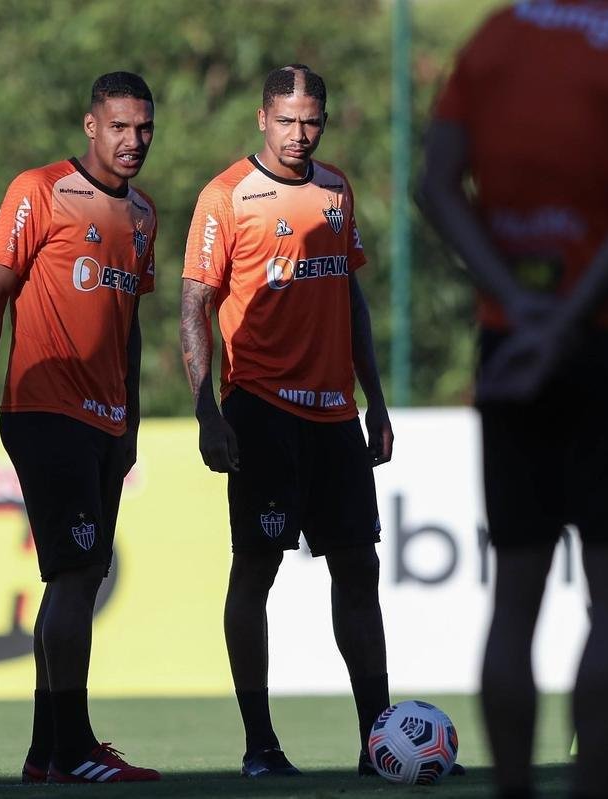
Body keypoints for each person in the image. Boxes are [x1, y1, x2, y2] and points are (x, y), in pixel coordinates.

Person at [418, 2, 608, 796]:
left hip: (511, 339)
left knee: (515, 598)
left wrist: (520, 303)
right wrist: (571, 319)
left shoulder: (497, 37)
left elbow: (436, 187)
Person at [180, 64, 400, 779]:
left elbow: (351, 297)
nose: (300, 134)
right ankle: (259, 744)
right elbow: (194, 308)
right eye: (287, 120)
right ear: (261, 118)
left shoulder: (336, 188)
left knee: (358, 568)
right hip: (262, 410)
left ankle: (379, 741)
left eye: (312, 121)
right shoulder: (226, 196)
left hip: (335, 413)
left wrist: (376, 401)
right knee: (256, 571)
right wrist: (207, 411)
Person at [0, 72, 160, 783]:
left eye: (144, 128)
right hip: (44, 409)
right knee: (75, 576)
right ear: (91, 126)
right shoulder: (38, 189)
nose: (134, 141)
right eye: (120, 126)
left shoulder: (144, 215)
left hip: (105, 420)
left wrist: (129, 416)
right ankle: (75, 747)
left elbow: (127, 326)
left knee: (75, 575)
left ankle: (47, 752)